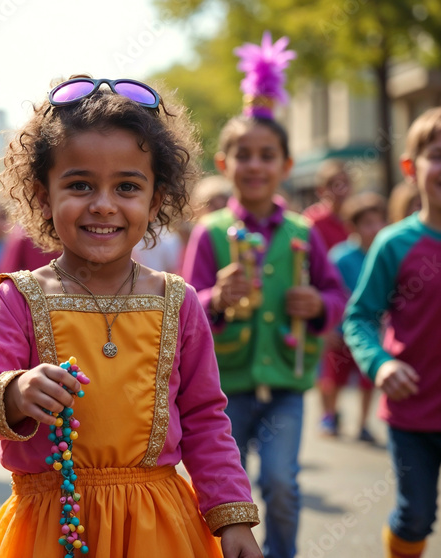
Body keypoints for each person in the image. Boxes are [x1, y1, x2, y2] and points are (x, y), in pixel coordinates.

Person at [0, 75, 263, 558]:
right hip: (52, 532)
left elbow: (205, 418)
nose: (103, 204)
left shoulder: (177, 302)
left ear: (155, 200)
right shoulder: (19, 298)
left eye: (127, 186)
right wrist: (14, 391)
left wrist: (232, 515)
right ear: (42, 195)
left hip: (158, 529)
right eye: (79, 184)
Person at [181, 33, 348, 558]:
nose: (255, 165)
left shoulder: (302, 232)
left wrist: (319, 306)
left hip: (288, 381)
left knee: (281, 485)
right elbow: (186, 311)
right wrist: (216, 298)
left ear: (284, 163)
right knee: (220, 494)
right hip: (223, 389)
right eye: (244, 155)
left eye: (266, 155)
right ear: (224, 163)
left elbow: (336, 294)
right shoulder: (211, 233)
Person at [343, 106, 441, 558]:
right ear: (411, 167)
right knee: (415, 516)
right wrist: (380, 364)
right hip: (412, 414)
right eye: (437, 155)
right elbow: (359, 317)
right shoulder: (393, 243)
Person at [318, 192, 387, 441]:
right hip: (340, 330)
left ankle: (363, 423)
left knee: (369, 379)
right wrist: (326, 328)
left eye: (380, 222)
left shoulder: (384, 253)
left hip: (373, 329)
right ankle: (330, 415)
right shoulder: (340, 256)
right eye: (368, 223)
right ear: (353, 227)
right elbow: (329, 292)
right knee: (335, 376)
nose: (375, 228)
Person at [303, 159, 353, 252]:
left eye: (345, 183)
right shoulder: (312, 221)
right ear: (320, 191)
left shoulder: (359, 218)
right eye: (333, 185)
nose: (341, 190)